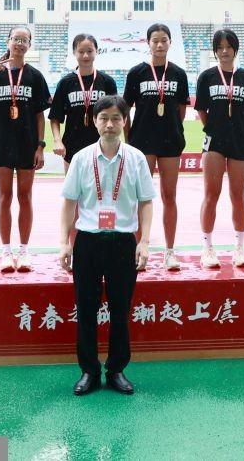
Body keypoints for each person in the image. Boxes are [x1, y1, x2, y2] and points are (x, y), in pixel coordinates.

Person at [59, 95, 153, 396]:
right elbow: (69, 203)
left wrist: (144, 242)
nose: (109, 124)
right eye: (103, 118)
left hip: (123, 242)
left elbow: (146, 202)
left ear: (124, 121)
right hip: (87, 241)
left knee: (120, 310)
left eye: (115, 118)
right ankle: (88, 371)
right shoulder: (81, 158)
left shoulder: (136, 158)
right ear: (94, 121)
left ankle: (116, 370)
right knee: (86, 309)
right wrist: (64, 243)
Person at [0, 26, 51, 273]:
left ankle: (24, 251)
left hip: (27, 144)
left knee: (25, 197)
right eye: (16, 39)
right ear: (8, 42)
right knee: (4, 197)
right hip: (1, 143)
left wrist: (40, 147)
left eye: (24, 40)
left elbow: (40, 115)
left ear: (29, 45)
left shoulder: (35, 76)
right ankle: (6, 251)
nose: (19, 43)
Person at [123, 23, 189, 270]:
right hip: (142, 141)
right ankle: (139, 250)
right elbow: (125, 110)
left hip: (170, 141)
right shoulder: (137, 73)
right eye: (155, 40)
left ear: (170, 42)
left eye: (164, 40)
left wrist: (172, 129)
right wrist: (130, 139)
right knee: (141, 197)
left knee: (169, 196)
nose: (160, 45)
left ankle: (169, 251)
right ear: (148, 43)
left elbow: (181, 109)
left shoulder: (178, 73)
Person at [194, 28, 244, 268]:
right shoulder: (207, 77)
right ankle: (207, 248)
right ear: (215, 51)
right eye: (219, 47)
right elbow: (201, 110)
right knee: (211, 195)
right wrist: (214, 128)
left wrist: (234, 129)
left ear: (235, 49)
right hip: (214, 142)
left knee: (238, 196)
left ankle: (239, 248)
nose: (224, 51)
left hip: (239, 141)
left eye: (228, 47)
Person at [50, 34, 118, 172]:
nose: (85, 55)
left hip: (102, 144)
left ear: (96, 51)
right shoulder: (66, 83)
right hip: (72, 144)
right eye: (81, 51)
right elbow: (55, 116)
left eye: (90, 51)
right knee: (73, 186)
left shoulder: (107, 82)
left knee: (101, 185)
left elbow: (116, 115)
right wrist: (57, 140)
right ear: (74, 52)